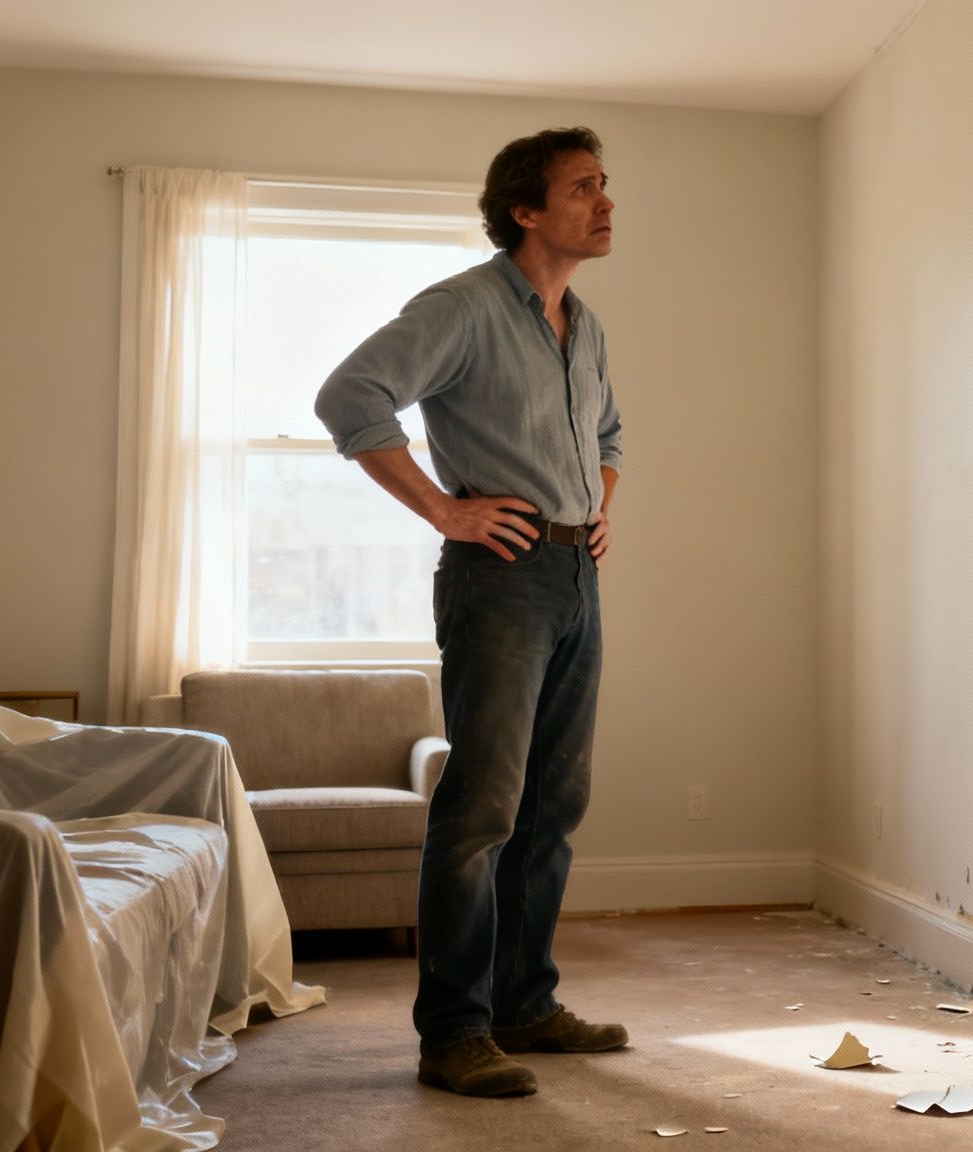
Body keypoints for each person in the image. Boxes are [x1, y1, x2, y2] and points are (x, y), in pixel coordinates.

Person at [314, 128, 627, 1097]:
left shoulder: (585, 323)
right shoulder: (461, 308)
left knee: (551, 808)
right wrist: (445, 509)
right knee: (482, 808)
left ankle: (524, 1006)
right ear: (525, 211)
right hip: (500, 578)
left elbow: (610, 433)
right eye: (583, 188)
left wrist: (598, 511)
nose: (606, 202)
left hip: (577, 576)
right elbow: (350, 397)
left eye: (604, 185)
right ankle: (453, 1033)